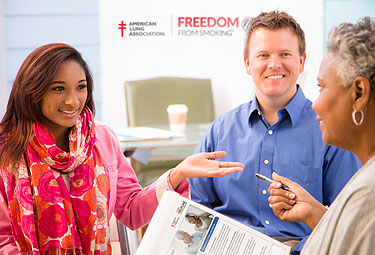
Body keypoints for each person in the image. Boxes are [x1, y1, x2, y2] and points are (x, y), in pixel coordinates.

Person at [0, 43, 244, 254]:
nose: (73, 101)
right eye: (59, 88)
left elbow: (131, 210)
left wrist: (178, 173)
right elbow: (3, 240)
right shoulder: (6, 150)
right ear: (33, 90)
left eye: (81, 87)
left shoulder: (101, 139)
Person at [188, 10, 361, 253]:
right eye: (263, 55)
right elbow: (197, 207)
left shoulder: (331, 131)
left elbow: (347, 218)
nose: (274, 64)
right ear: (248, 63)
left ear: (301, 62)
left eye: (285, 54)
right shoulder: (220, 130)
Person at [268, 16, 375, 254]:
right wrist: (315, 214)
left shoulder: (368, 195)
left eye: (322, 87)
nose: (314, 104)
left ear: (359, 93)